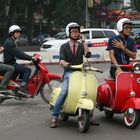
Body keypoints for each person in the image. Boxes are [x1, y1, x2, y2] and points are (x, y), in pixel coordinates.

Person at [50, 22, 92, 128]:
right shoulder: (64, 46)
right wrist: (64, 63)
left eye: (77, 31)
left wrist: (84, 41)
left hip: (80, 72)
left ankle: (88, 116)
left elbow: (88, 55)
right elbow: (61, 59)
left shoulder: (82, 45)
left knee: (88, 91)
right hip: (69, 72)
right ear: (68, 32)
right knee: (64, 92)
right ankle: (55, 116)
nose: (75, 33)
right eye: (73, 31)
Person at [3, 25, 36, 96]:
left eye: (19, 33)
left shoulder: (11, 41)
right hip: (10, 64)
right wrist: (31, 58)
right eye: (17, 33)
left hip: (11, 63)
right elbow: (19, 54)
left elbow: (19, 52)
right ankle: (22, 88)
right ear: (12, 33)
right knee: (27, 70)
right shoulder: (9, 43)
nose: (19, 34)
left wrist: (31, 57)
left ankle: (18, 87)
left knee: (22, 68)